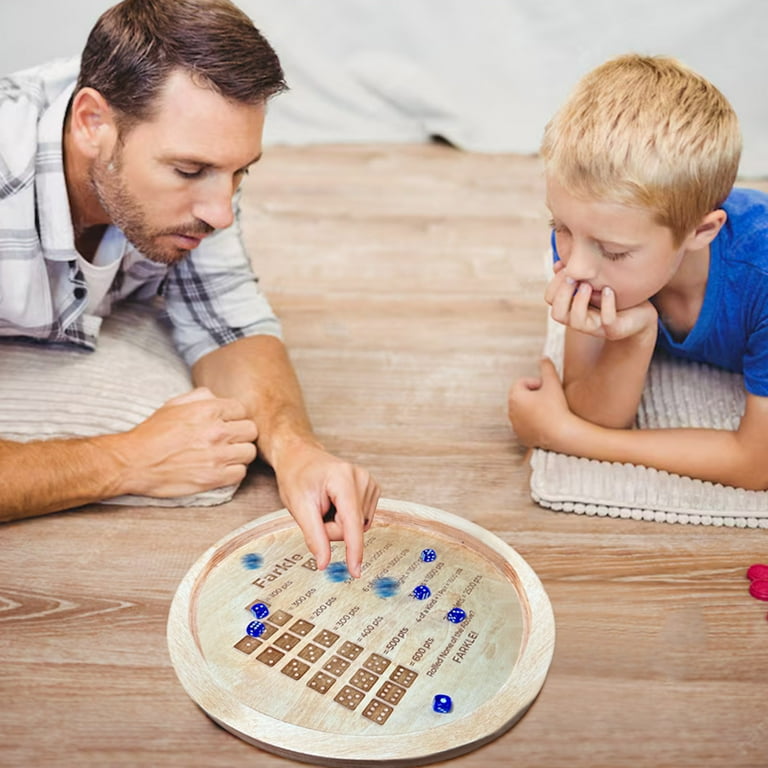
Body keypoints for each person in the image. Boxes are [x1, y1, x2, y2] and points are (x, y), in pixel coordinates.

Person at [0, 0, 379, 576]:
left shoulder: (191, 159)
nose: (221, 212)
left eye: (239, 172)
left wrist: (296, 449)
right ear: (92, 123)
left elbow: (227, 319)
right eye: (188, 171)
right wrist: (125, 460)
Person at [508, 53, 768, 491]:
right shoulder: (589, 237)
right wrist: (636, 334)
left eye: (613, 251)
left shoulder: (759, 280)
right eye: (561, 227)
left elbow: (757, 464)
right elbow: (597, 411)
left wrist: (566, 435)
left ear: (702, 231)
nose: (575, 267)